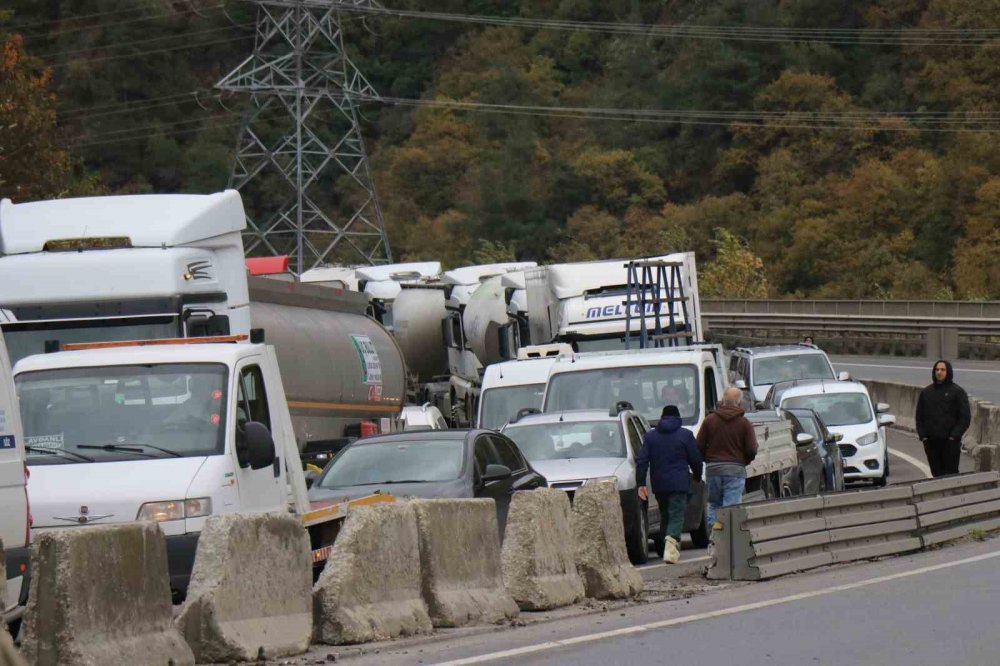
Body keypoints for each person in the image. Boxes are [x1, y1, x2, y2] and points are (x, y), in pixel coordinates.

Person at [637, 405, 702, 564]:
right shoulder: (685, 435)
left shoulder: (650, 437)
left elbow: (642, 461)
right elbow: (695, 458)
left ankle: (664, 546)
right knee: (677, 515)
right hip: (679, 482)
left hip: (659, 484)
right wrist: (698, 475)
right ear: (678, 418)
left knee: (665, 513)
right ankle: (671, 548)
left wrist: (641, 483)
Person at [696, 387, 757, 537]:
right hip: (735, 469)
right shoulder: (744, 423)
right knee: (731, 506)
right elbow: (751, 449)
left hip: (713, 469)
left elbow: (698, 446)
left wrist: (708, 459)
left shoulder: (709, 421)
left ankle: (715, 533)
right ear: (739, 402)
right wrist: (744, 461)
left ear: (722, 401)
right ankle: (728, 537)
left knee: (714, 504)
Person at [916, 360, 971, 477]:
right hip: (931, 443)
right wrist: (924, 437)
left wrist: (954, 436)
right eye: (937, 369)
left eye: (942, 370)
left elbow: (965, 417)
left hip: (950, 443)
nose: (939, 372)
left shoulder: (958, 392)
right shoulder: (926, 393)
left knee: (950, 475)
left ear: (948, 371)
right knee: (936, 475)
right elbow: (919, 416)